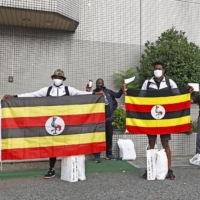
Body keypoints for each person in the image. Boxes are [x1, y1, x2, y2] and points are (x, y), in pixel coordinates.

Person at [2, 69, 102, 179]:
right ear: (53, 78)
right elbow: (33, 95)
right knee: (52, 145)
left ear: (63, 79)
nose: (57, 79)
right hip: (51, 122)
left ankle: (71, 168)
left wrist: (95, 93)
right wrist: (15, 97)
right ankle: (51, 169)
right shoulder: (47, 90)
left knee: (69, 142)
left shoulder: (68, 89)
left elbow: (80, 93)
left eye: (59, 78)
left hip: (67, 122)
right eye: (56, 77)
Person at [140, 61, 178, 180]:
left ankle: (169, 169)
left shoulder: (169, 82)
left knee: (165, 143)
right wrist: (128, 93)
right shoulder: (147, 83)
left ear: (163, 70)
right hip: (151, 118)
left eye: (160, 68)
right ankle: (150, 168)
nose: (158, 70)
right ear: (153, 70)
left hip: (165, 118)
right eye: (156, 68)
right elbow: (140, 97)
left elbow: (178, 95)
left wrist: (188, 91)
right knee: (151, 142)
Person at [88, 78, 125, 163]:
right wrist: (92, 92)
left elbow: (118, 95)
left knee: (109, 137)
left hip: (109, 118)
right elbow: (88, 98)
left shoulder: (108, 92)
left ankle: (109, 154)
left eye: (100, 83)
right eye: (97, 83)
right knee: (98, 137)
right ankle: (97, 156)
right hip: (98, 119)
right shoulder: (93, 93)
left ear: (103, 84)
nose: (99, 85)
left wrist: (122, 89)